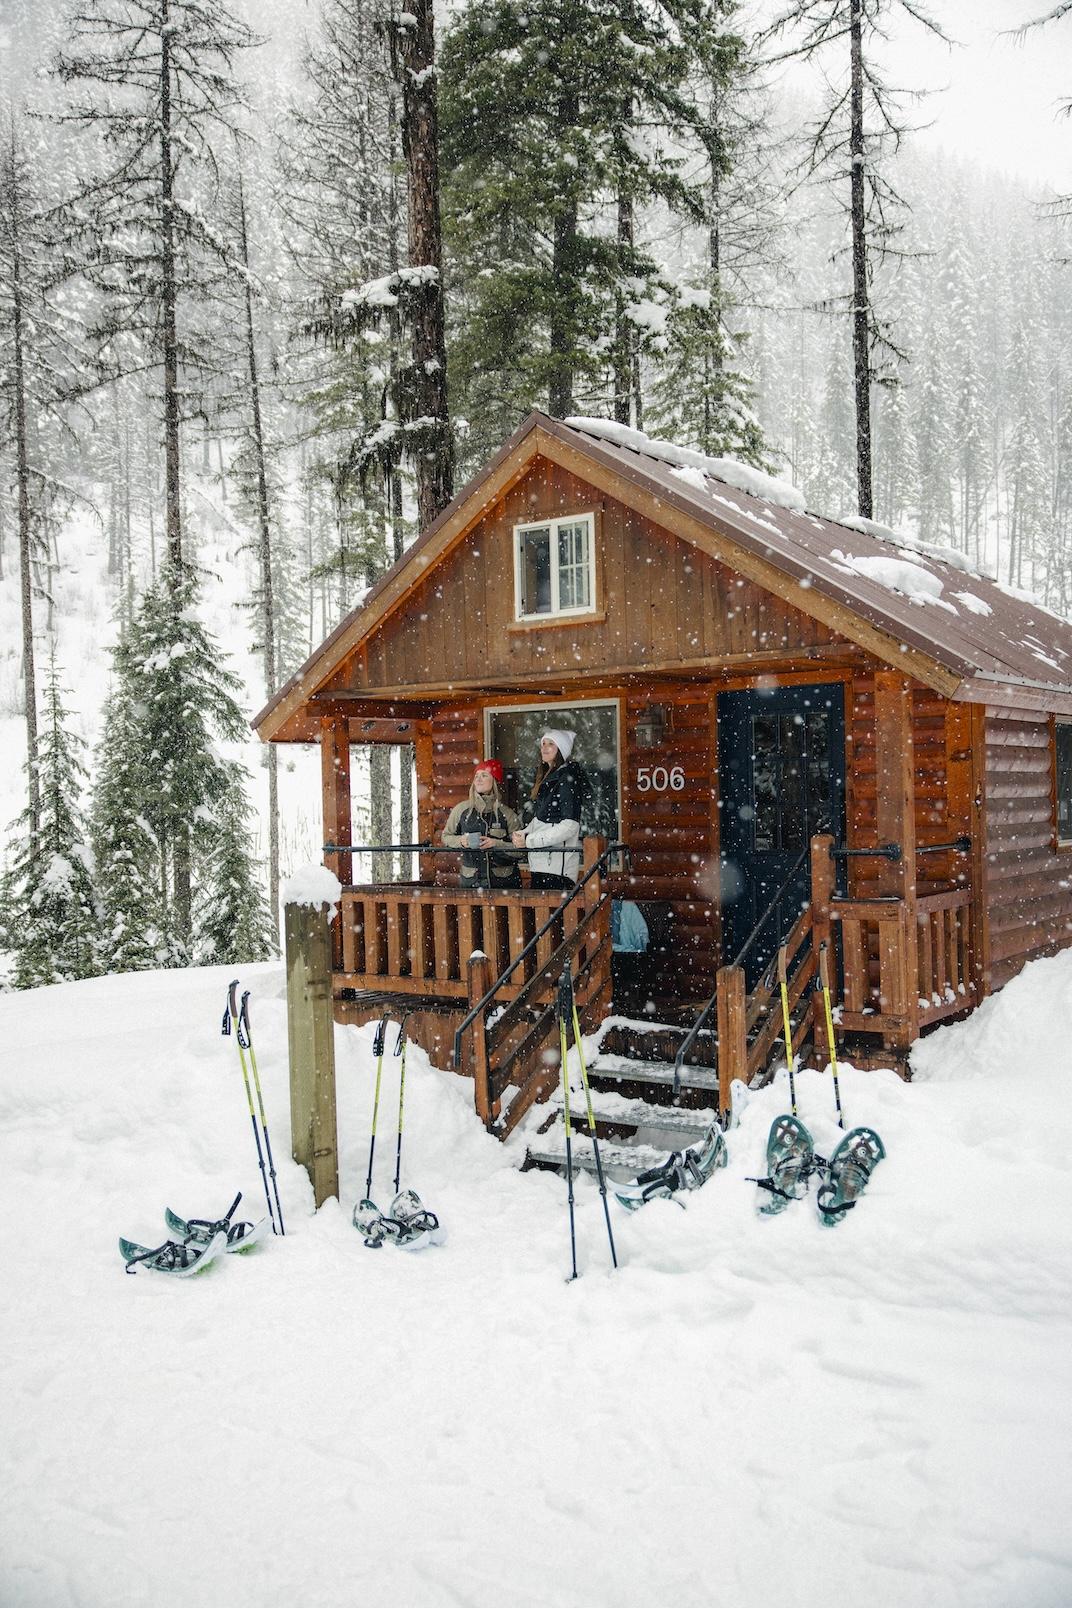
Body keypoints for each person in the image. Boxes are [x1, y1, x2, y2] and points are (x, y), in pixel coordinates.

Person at [512, 729, 584, 889]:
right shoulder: (549, 778)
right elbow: (540, 819)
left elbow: (570, 826)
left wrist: (529, 840)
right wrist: (523, 833)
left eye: (551, 744)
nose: (544, 747)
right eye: (543, 743)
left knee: (553, 913)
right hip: (541, 865)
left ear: (561, 749)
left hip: (556, 870)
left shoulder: (567, 779)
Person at [442, 759, 523, 889]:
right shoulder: (461, 810)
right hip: (471, 883)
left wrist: (497, 844)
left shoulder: (507, 814)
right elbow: (446, 837)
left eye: (484, 775)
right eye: (476, 776)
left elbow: (521, 852)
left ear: (495, 781)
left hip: (504, 884)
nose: (478, 779)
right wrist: (461, 841)